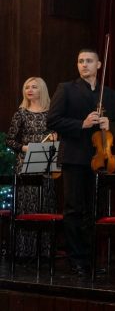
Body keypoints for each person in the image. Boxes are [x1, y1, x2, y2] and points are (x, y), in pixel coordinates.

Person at [47, 49, 115, 275]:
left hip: (102, 158)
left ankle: (91, 259)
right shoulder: (66, 89)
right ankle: (76, 259)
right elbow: (53, 120)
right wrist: (82, 123)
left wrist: (110, 126)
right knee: (73, 209)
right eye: (80, 61)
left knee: (95, 210)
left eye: (89, 61)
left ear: (99, 65)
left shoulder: (110, 94)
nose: (84, 64)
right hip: (74, 157)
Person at [6, 77, 57, 258]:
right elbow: (9, 140)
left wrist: (55, 137)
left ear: (41, 90)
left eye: (34, 87)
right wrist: (24, 148)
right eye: (27, 87)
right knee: (26, 206)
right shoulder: (20, 113)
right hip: (25, 164)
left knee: (45, 204)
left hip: (46, 164)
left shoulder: (51, 114)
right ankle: (24, 251)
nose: (29, 90)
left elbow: (57, 135)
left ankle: (44, 252)